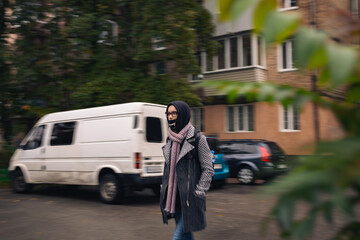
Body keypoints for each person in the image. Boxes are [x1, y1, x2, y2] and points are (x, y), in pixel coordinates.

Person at [160, 101, 214, 240]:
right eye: (168, 113)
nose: (170, 116)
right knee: (186, 231)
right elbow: (168, 167)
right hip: (173, 197)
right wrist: (164, 187)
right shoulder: (170, 139)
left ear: (183, 114)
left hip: (190, 198)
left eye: (174, 113)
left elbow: (208, 168)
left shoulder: (197, 139)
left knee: (179, 235)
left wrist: (200, 191)